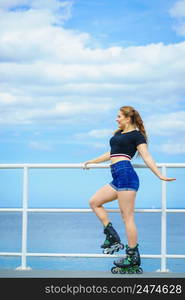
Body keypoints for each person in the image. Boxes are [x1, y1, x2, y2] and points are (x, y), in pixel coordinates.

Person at [83, 106, 176, 274]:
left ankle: (132, 255)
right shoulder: (118, 135)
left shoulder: (137, 136)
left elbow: (146, 155)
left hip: (126, 175)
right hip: (117, 177)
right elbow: (112, 153)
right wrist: (92, 161)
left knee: (127, 217)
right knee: (94, 202)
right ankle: (112, 236)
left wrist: (159, 175)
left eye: (119, 116)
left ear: (128, 118)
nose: (116, 119)